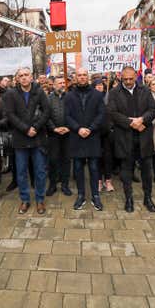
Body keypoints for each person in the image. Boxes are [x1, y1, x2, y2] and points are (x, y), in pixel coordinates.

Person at [107, 66, 155, 213]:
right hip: (124, 137)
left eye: (131, 78)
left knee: (147, 171)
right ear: (120, 77)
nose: (128, 82)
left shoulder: (145, 90)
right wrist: (131, 123)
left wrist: (142, 119)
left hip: (144, 137)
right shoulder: (114, 93)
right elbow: (112, 113)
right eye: (125, 79)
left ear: (136, 76)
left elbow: (153, 110)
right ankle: (128, 198)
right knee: (126, 171)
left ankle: (148, 198)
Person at [3, 67, 50, 215]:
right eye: (21, 75)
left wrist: (35, 127)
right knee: (21, 172)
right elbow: (10, 114)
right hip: (20, 138)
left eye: (26, 75)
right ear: (17, 78)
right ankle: (25, 199)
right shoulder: (11, 93)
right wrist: (25, 129)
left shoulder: (39, 91)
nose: (24, 78)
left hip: (37, 137)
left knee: (40, 171)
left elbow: (47, 111)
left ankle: (40, 199)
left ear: (31, 77)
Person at [65, 68, 105, 211]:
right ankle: (81, 195)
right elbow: (67, 116)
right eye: (79, 75)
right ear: (75, 78)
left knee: (94, 168)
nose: (82, 77)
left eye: (84, 75)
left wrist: (91, 128)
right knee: (78, 168)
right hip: (76, 137)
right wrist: (78, 128)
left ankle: (95, 195)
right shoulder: (69, 96)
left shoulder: (97, 95)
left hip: (92, 136)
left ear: (88, 77)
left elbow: (101, 114)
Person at [46, 76, 72, 197]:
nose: (62, 85)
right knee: (53, 160)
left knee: (66, 160)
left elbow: (74, 114)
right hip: (53, 135)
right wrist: (54, 128)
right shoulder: (48, 99)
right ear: (54, 85)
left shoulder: (70, 98)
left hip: (68, 134)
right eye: (59, 83)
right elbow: (46, 116)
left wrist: (68, 127)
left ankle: (65, 185)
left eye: (63, 82)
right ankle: (52, 185)